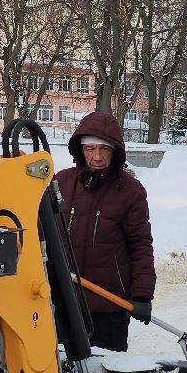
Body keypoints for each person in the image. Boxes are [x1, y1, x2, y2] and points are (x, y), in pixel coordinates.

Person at [57, 110, 155, 352]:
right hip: (63, 303)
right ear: (80, 150)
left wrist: (143, 295)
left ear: (116, 151)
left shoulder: (130, 191)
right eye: (90, 149)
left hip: (109, 306)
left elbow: (140, 244)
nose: (97, 157)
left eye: (105, 149)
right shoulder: (61, 183)